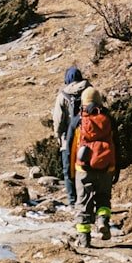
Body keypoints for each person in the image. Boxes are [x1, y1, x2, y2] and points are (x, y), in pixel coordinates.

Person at [66, 87, 119, 248]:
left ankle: (84, 239)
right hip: (106, 167)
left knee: (83, 204)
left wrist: (71, 172)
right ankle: (103, 220)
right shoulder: (109, 119)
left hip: (84, 169)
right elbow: (116, 145)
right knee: (103, 198)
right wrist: (115, 168)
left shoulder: (78, 121)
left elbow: (71, 148)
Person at [52, 67, 91, 206]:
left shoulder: (63, 95)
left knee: (68, 170)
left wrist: (58, 136)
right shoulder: (90, 91)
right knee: (87, 169)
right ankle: (87, 199)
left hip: (68, 139)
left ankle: (73, 201)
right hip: (88, 138)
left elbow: (58, 120)